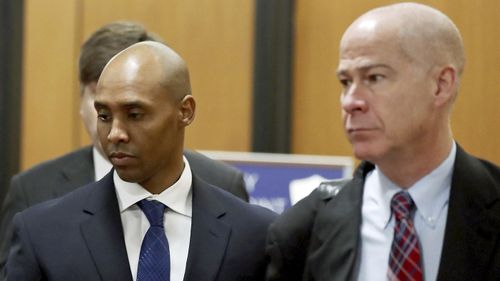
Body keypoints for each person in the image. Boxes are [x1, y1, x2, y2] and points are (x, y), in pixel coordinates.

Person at [266, 2, 500, 281]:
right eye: (345, 82)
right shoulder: (302, 230)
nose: (351, 102)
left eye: (374, 78)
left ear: (441, 85)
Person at [6, 41, 277, 280]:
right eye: (104, 116)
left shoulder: (255, 233)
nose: (115, 133)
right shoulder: (43, 233)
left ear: (185, 111)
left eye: (134, 115)